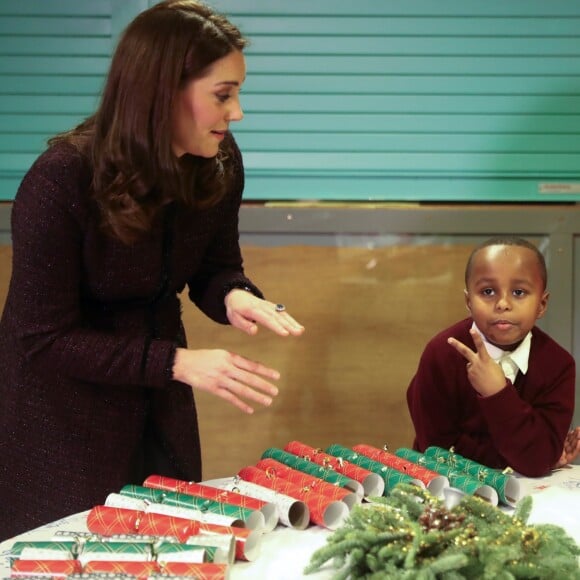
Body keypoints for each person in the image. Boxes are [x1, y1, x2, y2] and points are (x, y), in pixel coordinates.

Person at [0, 0, 304, 540]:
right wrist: (176, 363)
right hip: (59, 423)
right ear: (163, 91)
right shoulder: (60, 180)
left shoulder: (219, 159)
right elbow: (41, 339)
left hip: (159, 405)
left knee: (173, 546)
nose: (236, 114)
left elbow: (215, 267)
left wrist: (235, 295)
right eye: (223, 94)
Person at [406, 236, 579, 478]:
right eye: (488, 291)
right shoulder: (442, 354)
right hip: (446, 492)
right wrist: (530, 457)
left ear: (541, 304)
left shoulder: (559, 365)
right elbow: (437, 453)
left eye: (519, 292)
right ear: (469, 301)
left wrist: (498, 394)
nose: (502, 303)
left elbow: (538, 460)